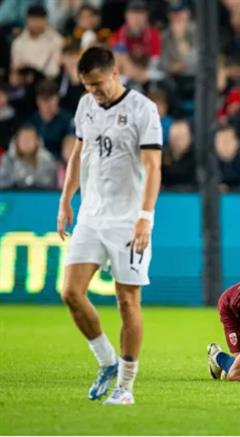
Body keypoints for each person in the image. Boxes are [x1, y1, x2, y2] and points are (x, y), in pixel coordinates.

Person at [56, 47, 162, 406]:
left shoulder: (143, 110)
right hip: (91, 215)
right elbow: (78, 153)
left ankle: (126, 386)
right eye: (87, 86)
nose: (94, 92)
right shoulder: (86, 106)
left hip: (127, 221)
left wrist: (145, 218)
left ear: (115, 73)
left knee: (127, 301)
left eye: (98, 85)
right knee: (70, 292)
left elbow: (153, 167)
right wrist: (66, 198)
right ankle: (106, 361)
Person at [0, 124, 57, 189]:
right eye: (23, 139)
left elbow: (49, 182)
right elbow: (2, 182)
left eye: (30, 139)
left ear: (36, 141)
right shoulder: (7, 158)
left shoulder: (47, 159)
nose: (26, 142)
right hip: (13, 196)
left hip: (39, 196)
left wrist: (29, 180)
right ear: (17, 141)